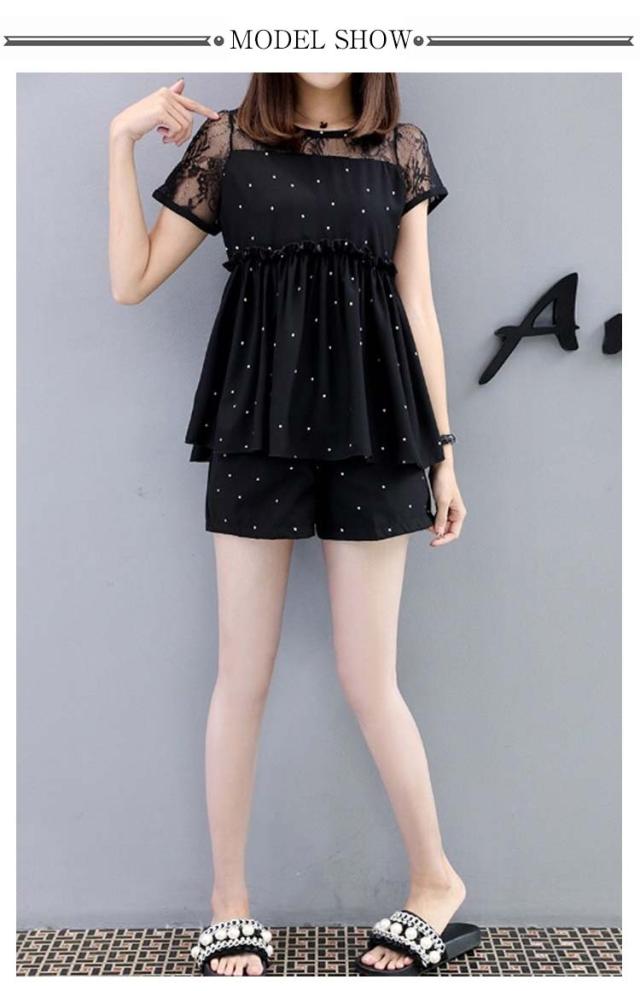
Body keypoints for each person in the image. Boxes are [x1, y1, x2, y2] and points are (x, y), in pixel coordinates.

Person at [108, 71, 480, 977]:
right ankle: (229, 903)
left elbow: (418, 304)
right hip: (256, 422)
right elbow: (130, 280)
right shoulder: (228, 142)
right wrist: (119, 142)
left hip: (378, 422)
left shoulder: (400, 148)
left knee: (369, 677)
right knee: (241, 675)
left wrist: (444, 453)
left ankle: (436, 880)